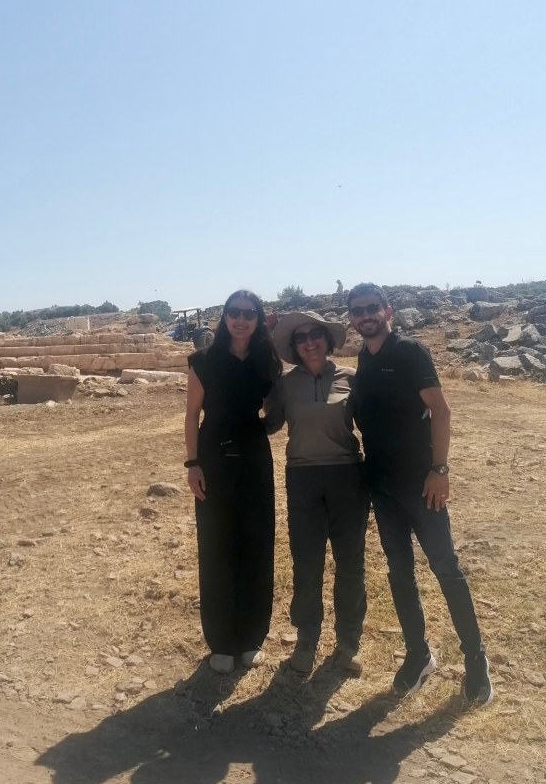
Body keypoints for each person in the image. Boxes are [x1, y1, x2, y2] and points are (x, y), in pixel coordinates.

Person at [348, 283, 493, 706]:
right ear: (352, 318)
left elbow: (441, 411)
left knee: (446, 567)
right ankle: (418, 654)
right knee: (400, 571)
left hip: (421, 484)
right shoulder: (363, 358)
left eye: (372, 308)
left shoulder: (410, 352)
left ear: (388, 311)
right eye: (358, 310)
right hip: (381, 486)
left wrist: (440, 469)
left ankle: (475, 659)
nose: (366, 315)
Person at [265, 311, 369, 676]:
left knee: (350, 560)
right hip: (303, 478)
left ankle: (349, 642)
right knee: (306, 560)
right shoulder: (283, 384)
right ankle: (307, 640)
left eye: (316, 334)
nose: (309, 342)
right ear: (294, 346)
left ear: (327, 339)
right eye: (301, 337)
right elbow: (269, 424)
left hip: (347, 476)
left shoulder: (351, 378)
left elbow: (372, 425)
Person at [185, 290, 283, 673]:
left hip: (255, 457)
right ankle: (222, 641)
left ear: (258, 319)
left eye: (249, 313)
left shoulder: (267, 361)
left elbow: (274, 408)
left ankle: (251, 637)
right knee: (216, 545)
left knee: (257, 544)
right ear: (225, 317)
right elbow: (192, 415)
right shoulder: (203, 360)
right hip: (213, 459)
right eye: (234, 312)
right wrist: (192, 464)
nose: (241, 319)